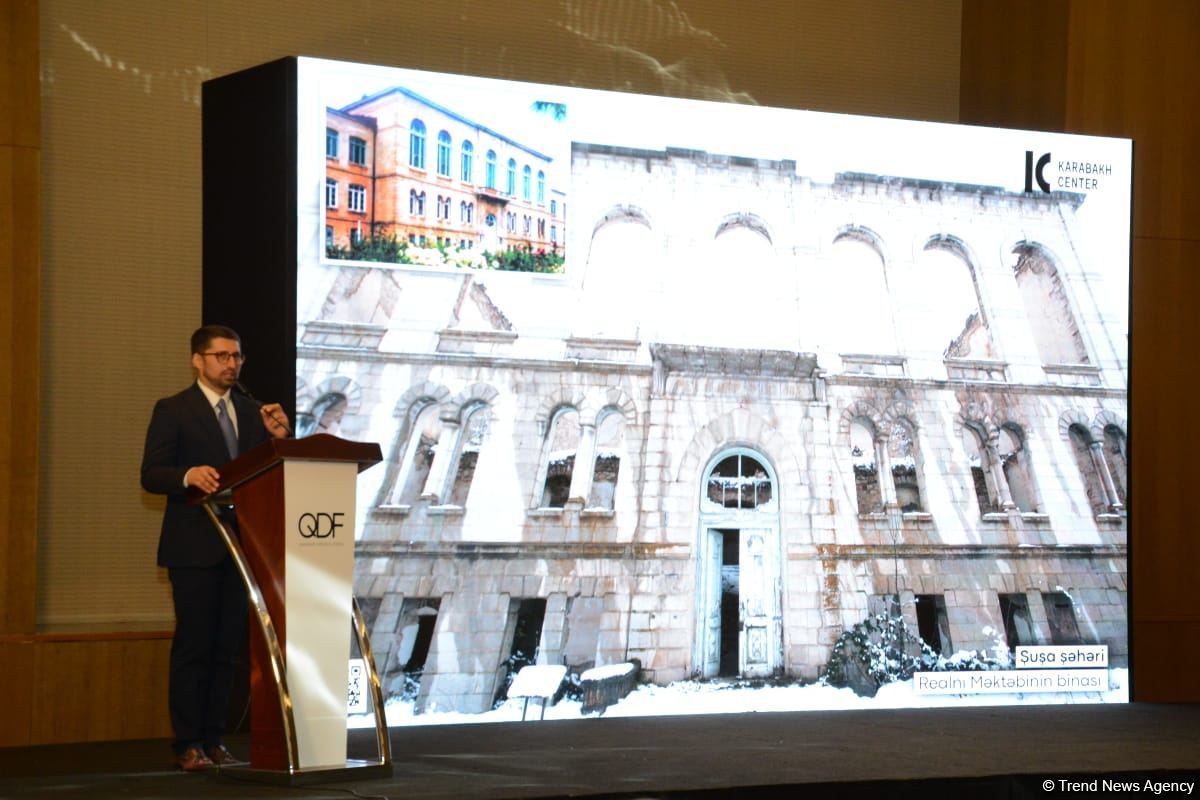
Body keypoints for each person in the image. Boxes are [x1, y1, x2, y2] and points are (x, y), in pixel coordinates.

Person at [140, 324, 289, 771]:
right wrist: (187, 476)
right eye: (222, 356)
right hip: (193, 547)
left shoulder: (252, 411)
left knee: (226, 649)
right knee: (194, 646)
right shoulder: (173, 410)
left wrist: (281, 440)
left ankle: (215, 740)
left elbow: (269, 476)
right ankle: (187, 743)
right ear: (197, 360)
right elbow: (151, 473)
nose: (231, 364)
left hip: (241, 546)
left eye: (237, 357)